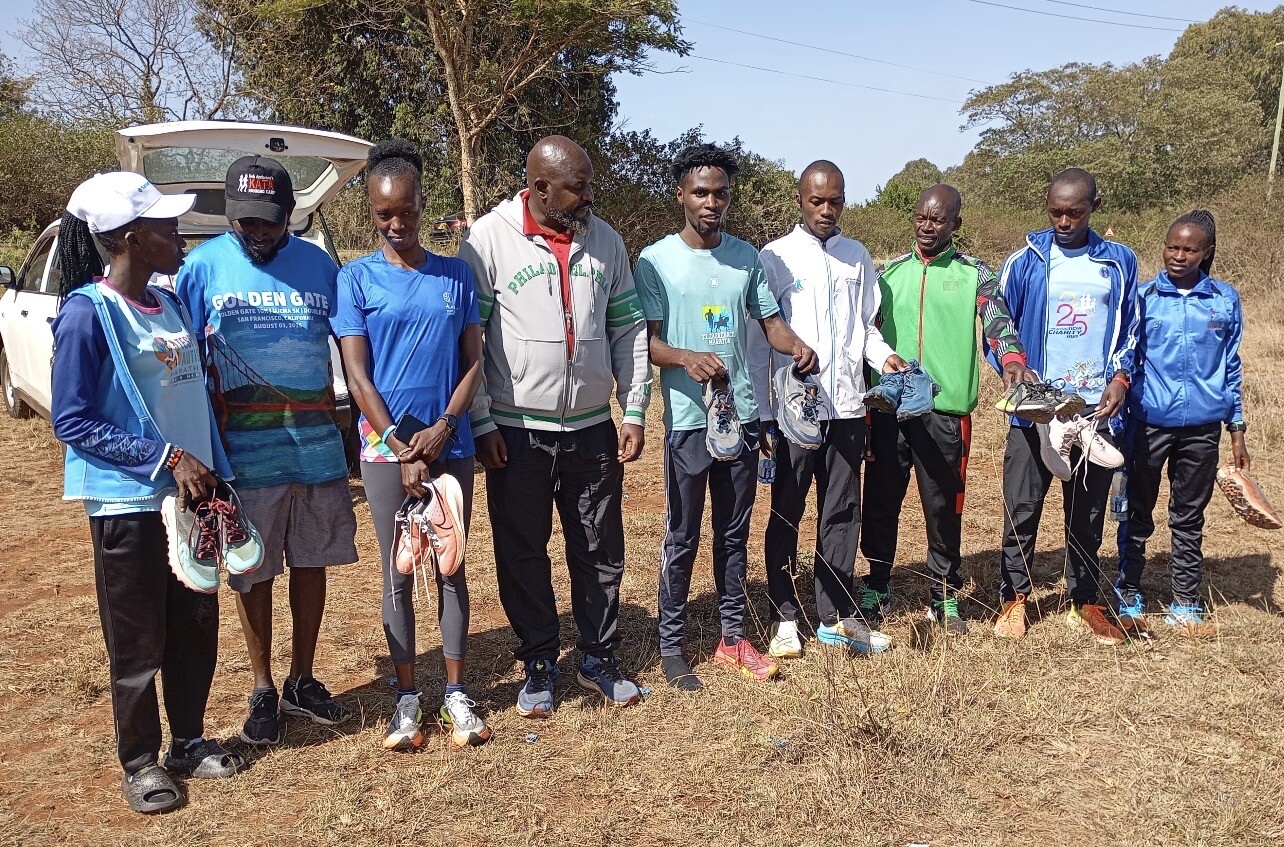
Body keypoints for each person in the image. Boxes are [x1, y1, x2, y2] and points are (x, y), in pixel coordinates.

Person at [51, 172, 245, 813]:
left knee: (195, 624)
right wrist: (164, 457)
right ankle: (140, 762)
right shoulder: (88, 314)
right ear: (131, 238)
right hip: (128, 505)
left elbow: (193, 399)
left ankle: (188, 740)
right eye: (167, 228)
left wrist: (214, 471)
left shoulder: (170, 303)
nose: (180, 237)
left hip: (191, 501)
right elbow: (72, 420)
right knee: (137, 640)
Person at [457, 136, 651, 717]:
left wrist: (633, 409)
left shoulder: (606, 240)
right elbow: (471, 341)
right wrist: (482, 418)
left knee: (598, 545)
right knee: (522, 549)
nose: (589, 196)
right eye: (577, 187)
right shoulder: (487, 241)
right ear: (540, 188)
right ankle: (540, 659)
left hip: (591, 427)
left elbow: (628, 330)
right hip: (516, 430)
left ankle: (598, 656)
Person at [176, 156, 357, 744]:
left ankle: (302, 679)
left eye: (268, 221)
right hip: (241, 458)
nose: (256, 231)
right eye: (246, 220)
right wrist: (192, 451)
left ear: (289, 215)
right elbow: (180, 367)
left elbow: (353, 348)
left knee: (311, 560)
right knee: (252, 570)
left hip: (317, 450)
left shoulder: (320, 266)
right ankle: (262, 687)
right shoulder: (200, 268)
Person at [635, 143, 817, 691]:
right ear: (681, 195)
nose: (711, 202)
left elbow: (770, 323)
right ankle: (672, 646)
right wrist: (685, 357)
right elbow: (647, 343)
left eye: (720, 193)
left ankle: (731, 638)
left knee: (733, 534)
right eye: (701, 192)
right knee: (682, 536)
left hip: (740, 419)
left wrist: (796, 346)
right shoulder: (655, 261)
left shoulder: (746, 258)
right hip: (690, 421)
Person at [333, 140, 490, 749]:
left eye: (407, 211)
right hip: (385, 452)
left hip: (451, 444)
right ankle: (406, 698)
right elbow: (358, 376)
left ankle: (455, 692)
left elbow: (473, 362)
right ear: (371, 212)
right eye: (384, 214)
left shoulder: (455, 275)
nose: (396, 224)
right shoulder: (355, 279)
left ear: (424, 204)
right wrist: (401, 447)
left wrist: (444, 428)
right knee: (398, 569)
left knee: (450, 565)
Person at [858, 184, 1034, 636]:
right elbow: (864, 335)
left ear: (956, 223)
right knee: (880, 500)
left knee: (943, 505)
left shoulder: (975, 274)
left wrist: (1012, 360)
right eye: (921, 217)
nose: (927, 226)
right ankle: (877, 584)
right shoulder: (887, 274)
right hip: (889, 408)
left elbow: (998, 322)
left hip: (945, 412)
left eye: (938, 219)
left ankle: (943, 592)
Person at [747, 160, 905, 660]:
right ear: (800, 200)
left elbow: (866, 329)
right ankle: (784, 615)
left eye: (834, 200)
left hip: (848, 409)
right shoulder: (775, 256)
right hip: (797, 412)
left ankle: (834, 615)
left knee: (841, 511)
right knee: (788, 510)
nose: (825, 209)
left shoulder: (857, 256)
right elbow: (759, 342)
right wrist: (765, 414)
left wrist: (886, 358)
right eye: (816, 200)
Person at [990, 168, 1138, 645]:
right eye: (1055, 212)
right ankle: (1014, 597)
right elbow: (997, 320)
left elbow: (1131, 328)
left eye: (1074, 212)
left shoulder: (1118, 262)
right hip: (1036, 409)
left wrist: (1120, 378)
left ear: (1095, 206)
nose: (1064, 221)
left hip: (1093, 411)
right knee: (1022, 506)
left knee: (1087, 513)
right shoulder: (1026, 261)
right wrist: (1012, 362)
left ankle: (1085, 600)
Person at [1115, 210, 1248, 637]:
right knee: (1137, 511)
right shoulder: (1142, 298)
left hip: (1203, 428)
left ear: (1207, 252)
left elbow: (1231, 366)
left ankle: (1186, 600)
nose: (1178, 255)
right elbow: (1126, 359)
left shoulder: (1224, 300)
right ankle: (1128, 592)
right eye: (1172, 247)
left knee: (1188, 517)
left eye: (1190, 249)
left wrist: (1237, 428)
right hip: (1148, 423)